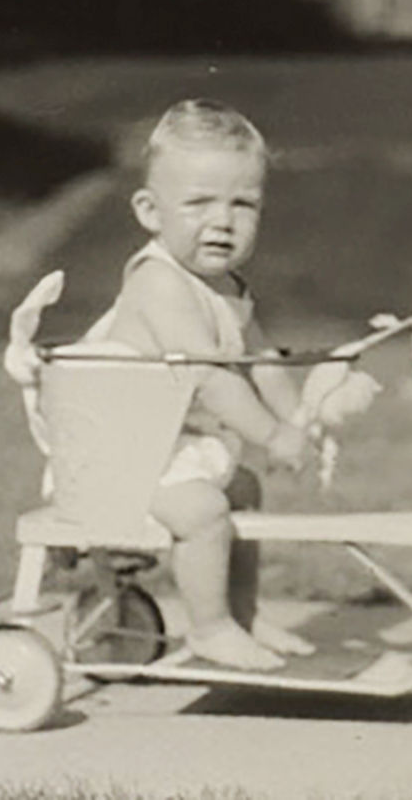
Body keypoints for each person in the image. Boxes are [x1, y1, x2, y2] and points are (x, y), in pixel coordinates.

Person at [92, 99, 316, 670]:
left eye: (244, 204)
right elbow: (209, 379)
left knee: (243, 490)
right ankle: (211, 628)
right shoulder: (157, 283)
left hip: (172, 444)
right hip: (123, 455)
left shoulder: (229, 289)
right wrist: (272, 436)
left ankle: (242, 614)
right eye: (199, 203)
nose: (223, 221)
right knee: (202, 513)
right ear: (149, 210)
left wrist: (300, 421)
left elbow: (263, 361)